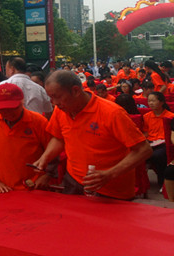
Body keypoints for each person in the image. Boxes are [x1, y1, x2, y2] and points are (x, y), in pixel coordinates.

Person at [33, 71, 152, 200]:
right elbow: (59, 138)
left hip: (110, 189)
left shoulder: (112, 113)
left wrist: (109, 174)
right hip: (74, 180)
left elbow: (143, 150)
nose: (54, 103)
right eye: (51, 97)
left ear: (75, 91)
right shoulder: (61, 110)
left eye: (57, 97)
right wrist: (45, 157)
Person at [0, 83, 54, 192]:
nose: (8, 113)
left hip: (33, 186)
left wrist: (46, 175)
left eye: (12, 108)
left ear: (22, 102)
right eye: (3, 109)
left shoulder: (38, 122)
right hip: (3, 188)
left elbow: (53, 154)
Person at [143, 92, 174, 187]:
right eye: (149, 101)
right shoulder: (146, 116)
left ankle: (162, 183)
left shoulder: (171, 116)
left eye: (153, 100)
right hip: (150, 142)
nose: (151, 103)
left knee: (157, 155)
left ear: (162, 102)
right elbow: (146, 132)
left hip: (164, 143)